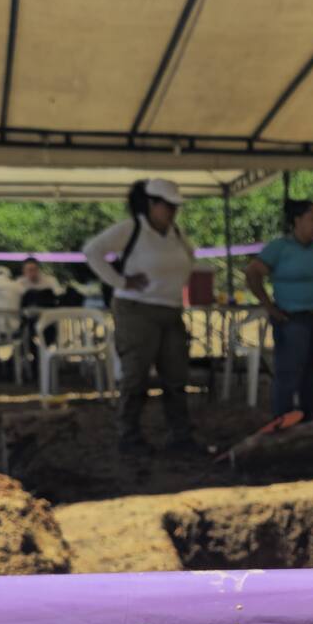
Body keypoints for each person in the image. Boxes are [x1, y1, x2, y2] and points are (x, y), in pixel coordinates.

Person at [83, 178, 197, 455]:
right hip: (137, 310)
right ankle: (129, 436)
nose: (172, 211)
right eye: (166, 206)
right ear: (150, 204)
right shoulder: (131, 229)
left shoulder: (176, 233)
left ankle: (180, 436)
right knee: (136, 377)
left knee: (176, 377)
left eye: (174, 206)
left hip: (170, 310)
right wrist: (120, 282)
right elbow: (92, 251)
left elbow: (190, 257)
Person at [245, 199, 313, 422]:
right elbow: (253, 272)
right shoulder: (280, 248)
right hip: (293, 320)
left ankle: (307, 419)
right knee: (288, 374)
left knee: (312, 374)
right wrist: (269, 306)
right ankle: (282, 422)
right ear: (298, 221)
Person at [17, 256, 63, 381]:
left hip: (48, 322)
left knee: (46, 336)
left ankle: (39, 364)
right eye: (29, 270)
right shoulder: (19, 283)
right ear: (24, 271)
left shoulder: (50, 281)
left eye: (34, 269)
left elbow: (59, 299)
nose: (32, 273)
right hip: (28, 323)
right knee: (24, 336)